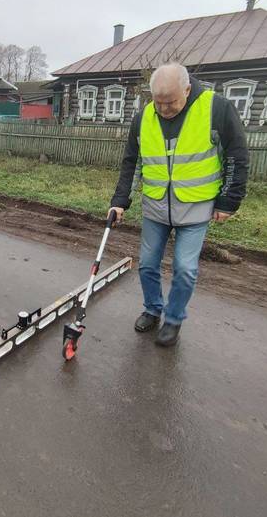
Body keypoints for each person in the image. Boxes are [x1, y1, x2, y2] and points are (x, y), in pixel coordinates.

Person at [109, 62, 248, 347]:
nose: (164, 109)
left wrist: (229, 200)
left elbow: (236, 155)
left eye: (170, 102)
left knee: (185, 268)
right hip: (156, 205)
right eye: (158, 103)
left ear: (187, 89)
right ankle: (152, 309)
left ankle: (173, 319)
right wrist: (120, 200)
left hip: (196, 206)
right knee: (147, 265)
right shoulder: (144, 117)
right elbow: (131, 163)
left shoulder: (216, 108)